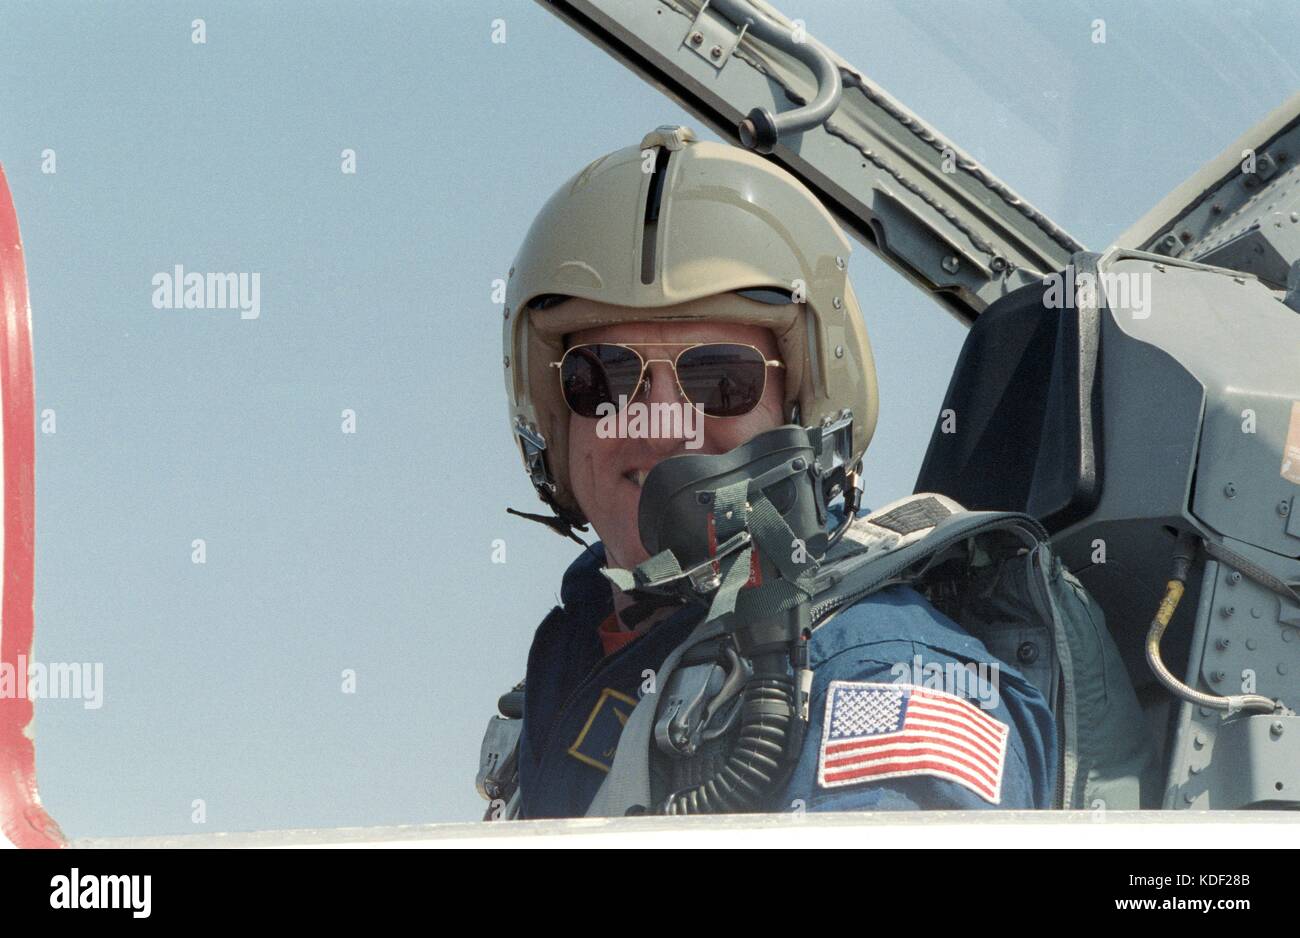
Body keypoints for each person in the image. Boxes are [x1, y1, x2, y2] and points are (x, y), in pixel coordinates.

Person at [492, 125, 1056, 818]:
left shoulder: (885, 676)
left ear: (806, 411)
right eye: (606, 378)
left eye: (720, 377)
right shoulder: (576, 662)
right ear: (556, 416)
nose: (663, 418)